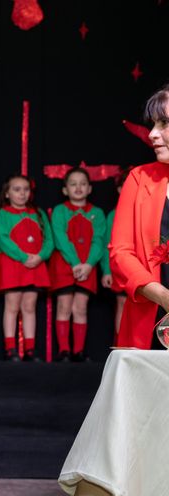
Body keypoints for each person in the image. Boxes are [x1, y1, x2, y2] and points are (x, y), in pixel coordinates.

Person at [110, 84, 169, 349]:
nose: (152, 134)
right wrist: (161, 295)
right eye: (153, 124)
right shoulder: (139, 178)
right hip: (148, 323)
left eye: (164, 123)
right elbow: (120, 253)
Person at [48, 168, 108, 361]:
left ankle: (79, 351)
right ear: (65, 190)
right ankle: (64, 350)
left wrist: (89, 264)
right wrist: (75, 263)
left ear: (89, 188)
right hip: (65, 265)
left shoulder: (97, 213)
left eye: (83, 183)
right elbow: (60, 239)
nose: (78, 187)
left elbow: (99, 241)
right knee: (63, 306)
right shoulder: (60, 210)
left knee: (80, 308)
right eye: (73, 184)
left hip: (87, 266)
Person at [0, 174, 53, 361]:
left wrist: (40, 256)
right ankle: (10, 348)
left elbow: (49, 240)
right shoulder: (3, 214)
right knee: (12, 305)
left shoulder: (38, 213)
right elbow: (3, 240)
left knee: (29, 305)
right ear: (7, 193)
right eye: (17, 190)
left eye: (26, 189)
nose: (22, 193)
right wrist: (23, 256)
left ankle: (30, 349)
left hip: (34, 264)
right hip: (13, 265)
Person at [107, 168, 131, 336]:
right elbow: (107, 245)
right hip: (121, 267)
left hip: (143, 267)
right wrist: (107, 271)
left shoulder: (148, 211)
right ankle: (122, 343)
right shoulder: (113, 215)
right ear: (120, 189)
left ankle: (140, 345)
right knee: (122, 302)